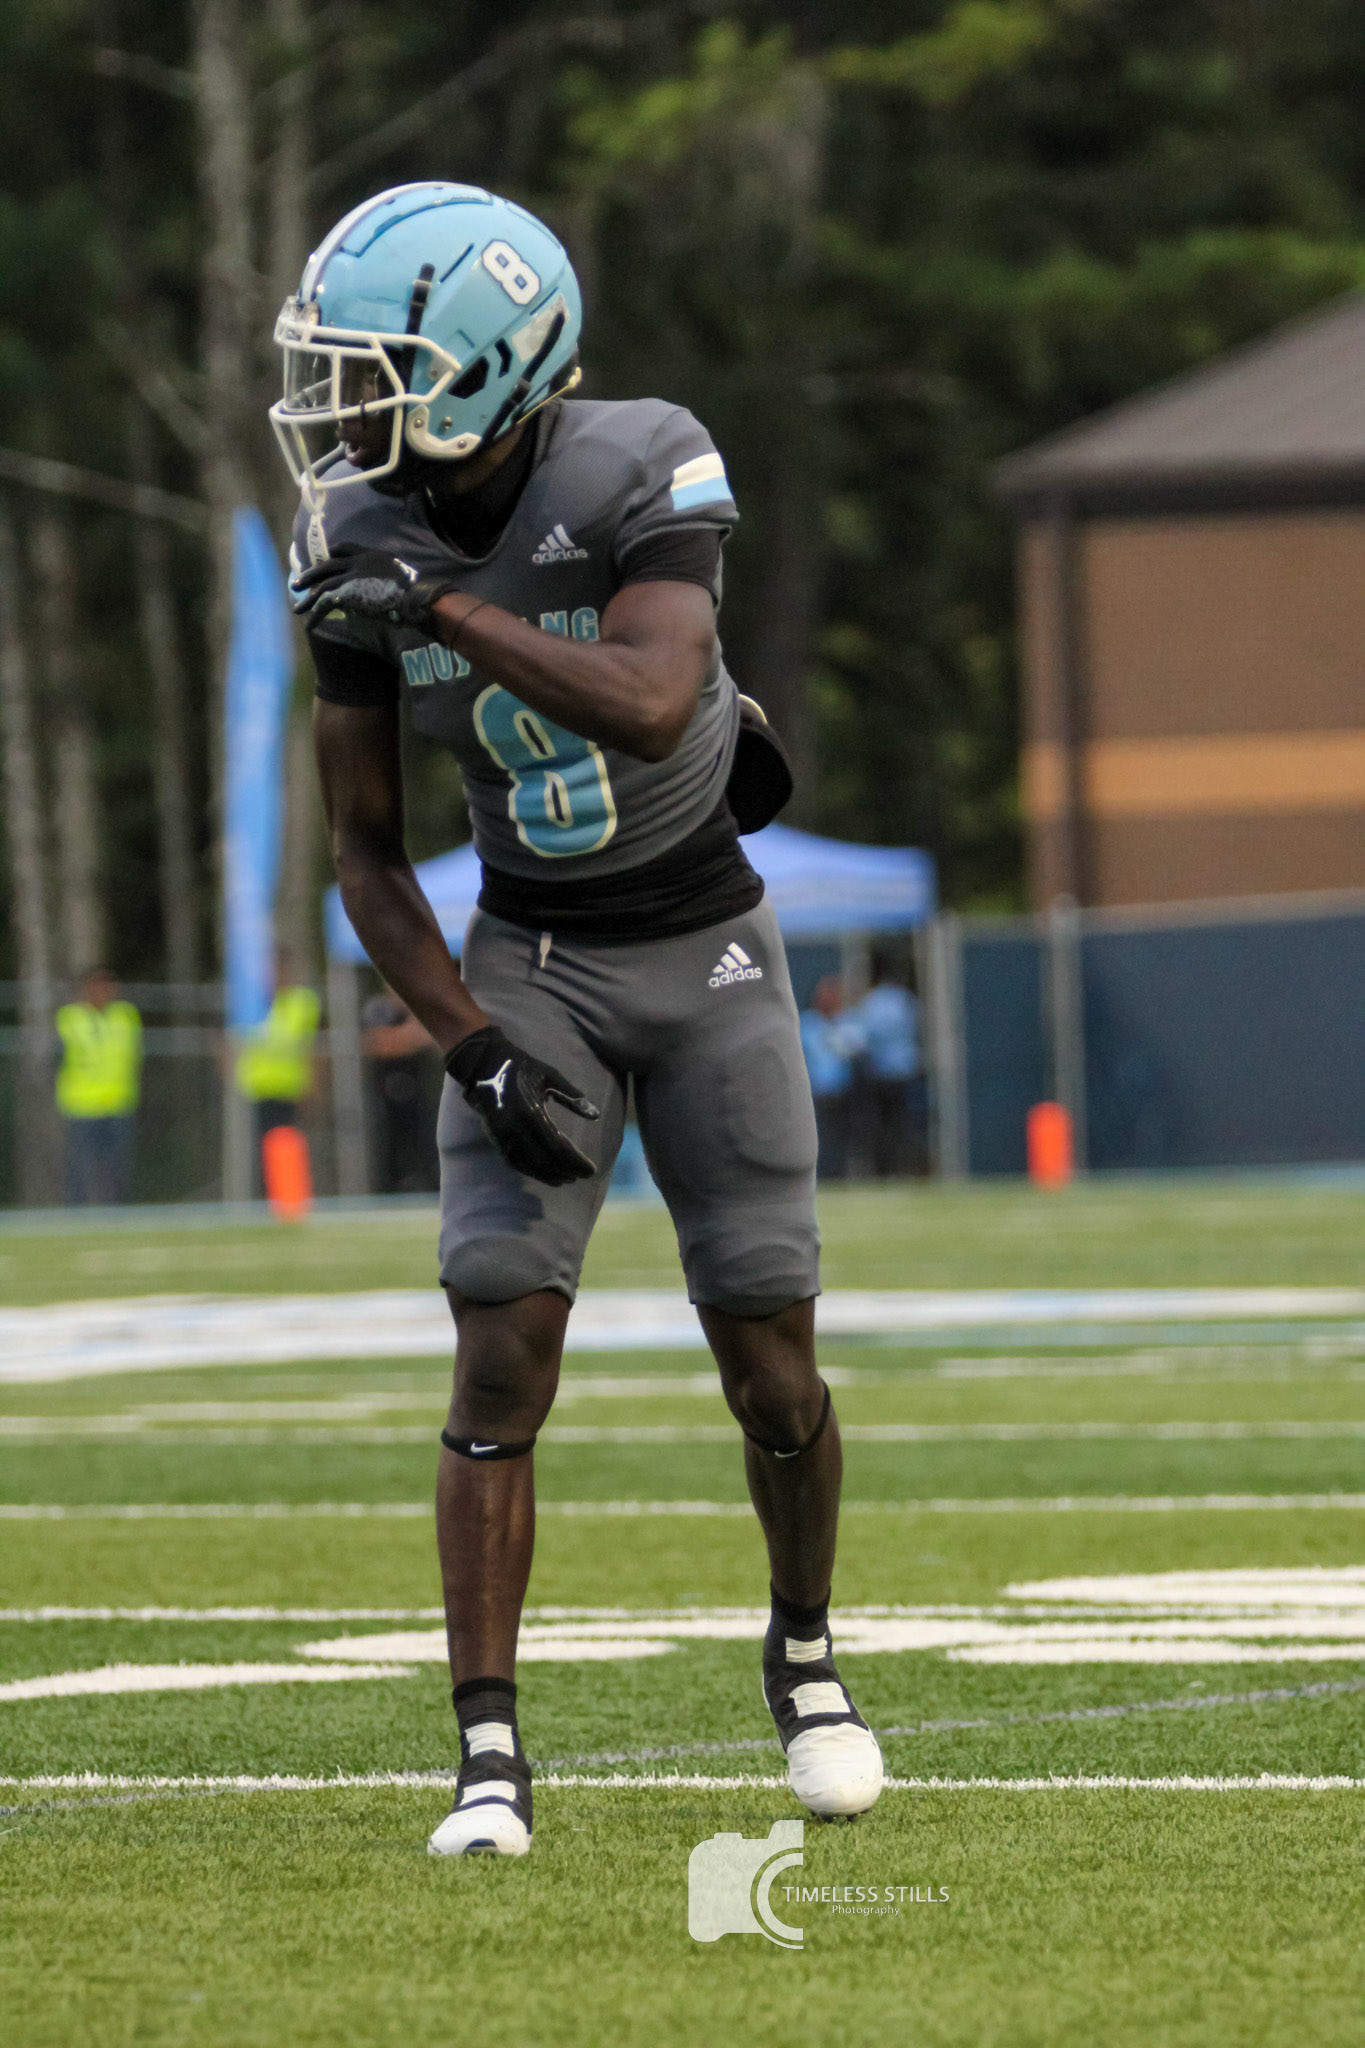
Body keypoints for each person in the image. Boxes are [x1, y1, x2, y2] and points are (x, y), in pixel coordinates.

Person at [275, 181, 882, 1858]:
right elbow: (365, 853)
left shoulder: (641, 460)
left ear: (486, 365)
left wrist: (445, 611)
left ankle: (806, 1651)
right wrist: (471, 1043)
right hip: (529, 952)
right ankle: (487, 1752)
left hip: (707, 950)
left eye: (373, 370)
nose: (339, 407)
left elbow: (657, 699)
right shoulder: (349, 532)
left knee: (769, 1363)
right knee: (498, 1342)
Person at [54, 968, 142, 1206]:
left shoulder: (125, 1015)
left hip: (118, 1101)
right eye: (99, 986)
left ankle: (117, 1211)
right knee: (80, 1164)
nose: (104, 992)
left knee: (117, 1163)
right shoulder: (70, 1017)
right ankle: (77, 1210)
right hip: (82, 1104)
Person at [233, 953, 321, 1173]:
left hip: (289, 1089)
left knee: (286, 1148)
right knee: (257, 1154)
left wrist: (312, 1086)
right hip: (256, 1089)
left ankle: (286, 1191)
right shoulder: (252, 1003)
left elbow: (306, 1045)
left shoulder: (301, 1002)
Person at [847, 952, 926, 1177]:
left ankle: (883, 1171)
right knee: (904, 1124)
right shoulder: (906, 1000)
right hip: (905, 1071)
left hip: (881, 1073)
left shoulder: (872, 1001)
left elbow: (865, 1037)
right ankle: (903, 1169)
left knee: (881, 1125)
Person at [362, 982, 439, 1193]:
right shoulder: (379, 1008)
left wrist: (409, 1037)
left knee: (425, 1143)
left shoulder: (418, 1009)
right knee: (388, 1147)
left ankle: (430, 1186)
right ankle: (387, 1189)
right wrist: (411, 1036)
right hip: (386, 1094)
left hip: (418, 1091)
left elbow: (432, 1039)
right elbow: (380, 1044)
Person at [798, 975, 858, 1180]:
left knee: (842, 1137)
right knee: (818, 1137)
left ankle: (840, 1175)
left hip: (844, 1091)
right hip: (816, 1092)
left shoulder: (848, 1022)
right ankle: (820, 1176)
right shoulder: (807, 1023)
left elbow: (858, 1048)